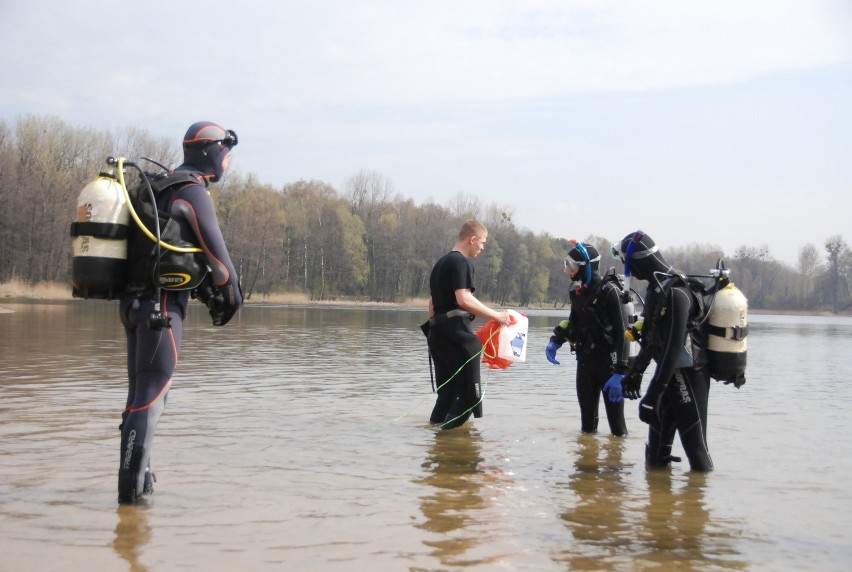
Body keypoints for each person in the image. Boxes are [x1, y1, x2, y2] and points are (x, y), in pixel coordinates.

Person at [117, 121, 243, 503]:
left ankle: (141, 489)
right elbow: (220, 264)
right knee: (151, 398)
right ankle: (130, 503)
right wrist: (232, 298)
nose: (228, 162)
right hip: (163, 307)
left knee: (139, 396)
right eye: (227, 153)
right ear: (213, 152)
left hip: (133, 305)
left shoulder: (157, 187)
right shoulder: (192, 192)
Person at [612, 230, 714, 472]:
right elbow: (652, 339)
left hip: (688, 378)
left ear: (639, 259)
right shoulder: (656, 290)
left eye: (628, 264)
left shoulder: (677, 293)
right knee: (655, 458)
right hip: (667, 379)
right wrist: (634, 373)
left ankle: (699, 506)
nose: (629, 272)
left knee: (697, 454)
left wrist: (652, 395)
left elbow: (673, 348)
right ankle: (658, 506)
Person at [426, 220, 511, 430]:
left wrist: (433, 333)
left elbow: (432, 303)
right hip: (456, 335)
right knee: (470, 398)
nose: (483, 247)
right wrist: (497, 317)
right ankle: (447, 445)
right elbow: (464, 299)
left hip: (436, 333)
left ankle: (435, 447)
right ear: (472, 240)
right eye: (482, 242)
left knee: (447, 394)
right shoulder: (461, 263)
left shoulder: (441, 263)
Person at [545, 241, 632, 436]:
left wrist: (621, 372)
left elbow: (623, 333)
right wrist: (556, 340)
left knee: (617, 429)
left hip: (610, 366)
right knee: (587, 427)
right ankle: (586, 462)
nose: (568, 271)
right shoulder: (576, 292)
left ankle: (617, 464)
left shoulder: (610, 291)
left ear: (587, 266)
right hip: (585, 362)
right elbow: (573, 321)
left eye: (572, 266)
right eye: (566, 265)